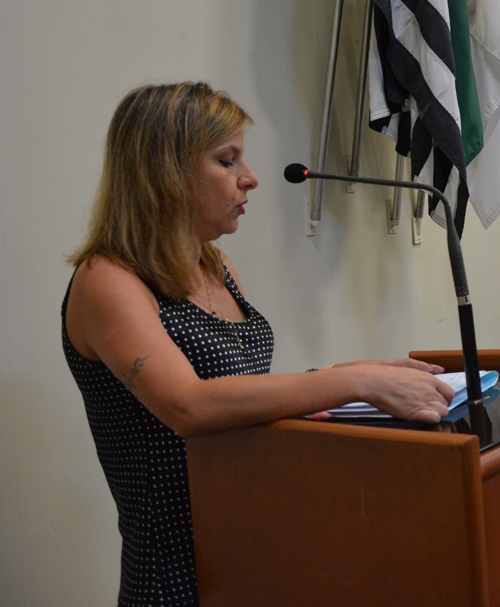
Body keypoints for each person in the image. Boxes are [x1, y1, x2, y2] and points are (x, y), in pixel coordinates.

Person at [63, 82, 455, 605]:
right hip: (176, 574)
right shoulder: (107, 278)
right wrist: (355, 383)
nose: (250, 177)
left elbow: (242, 394)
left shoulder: (216, 266)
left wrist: (347, 377)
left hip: (253, 552)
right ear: (165, 171)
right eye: (227, 161)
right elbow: (189, 406)